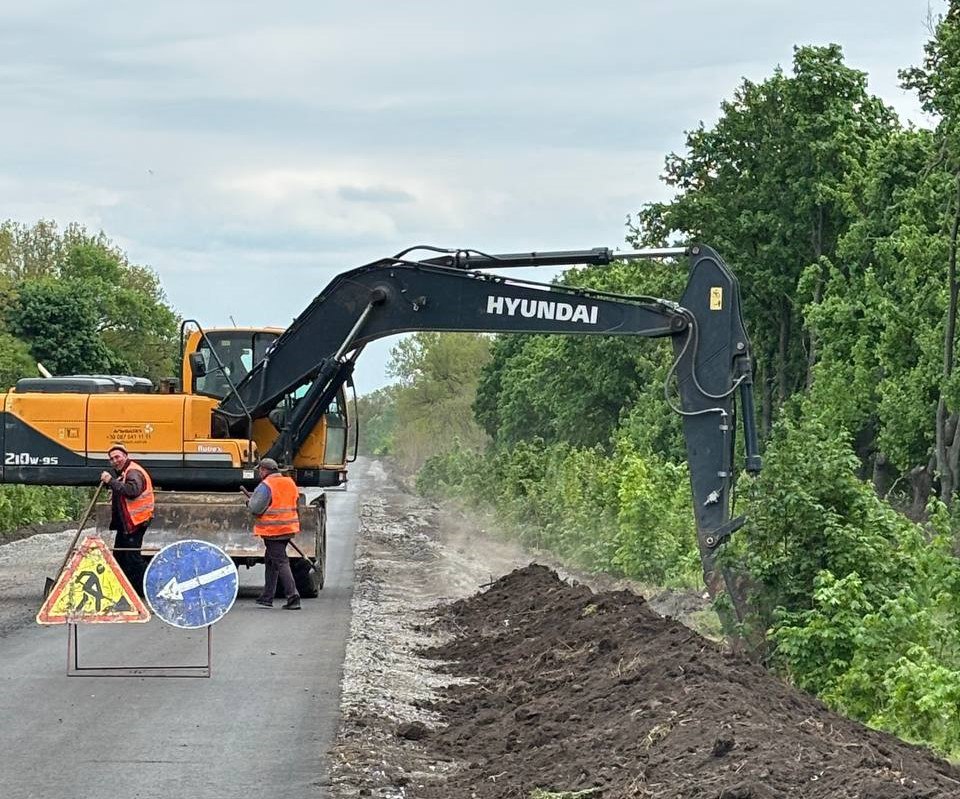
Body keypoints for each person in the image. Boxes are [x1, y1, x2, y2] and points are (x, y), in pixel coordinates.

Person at [246, 457, 302, 610]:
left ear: (264, 470)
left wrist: (249, 504)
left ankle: (293, 597)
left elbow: (255, 508)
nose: (259, 473)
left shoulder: (266, 485)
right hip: (288, 528)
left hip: (273, 530)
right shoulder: (289, 482)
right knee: (271, 560)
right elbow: (296, 504)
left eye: (260, 470)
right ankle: (267, 596)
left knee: (281, 561)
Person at [100, 443, 154, 596]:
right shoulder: (125, 472)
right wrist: (114, 487)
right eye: (111, 459)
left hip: (135, 523)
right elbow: (124, 490)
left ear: (126, 456)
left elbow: (132, 491)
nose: (115, 461)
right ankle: (122, 589)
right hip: (128, 524)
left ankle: (144, 590)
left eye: (117, 457)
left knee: (132, 558)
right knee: (120, 556)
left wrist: (111, 481)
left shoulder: (133, 472)